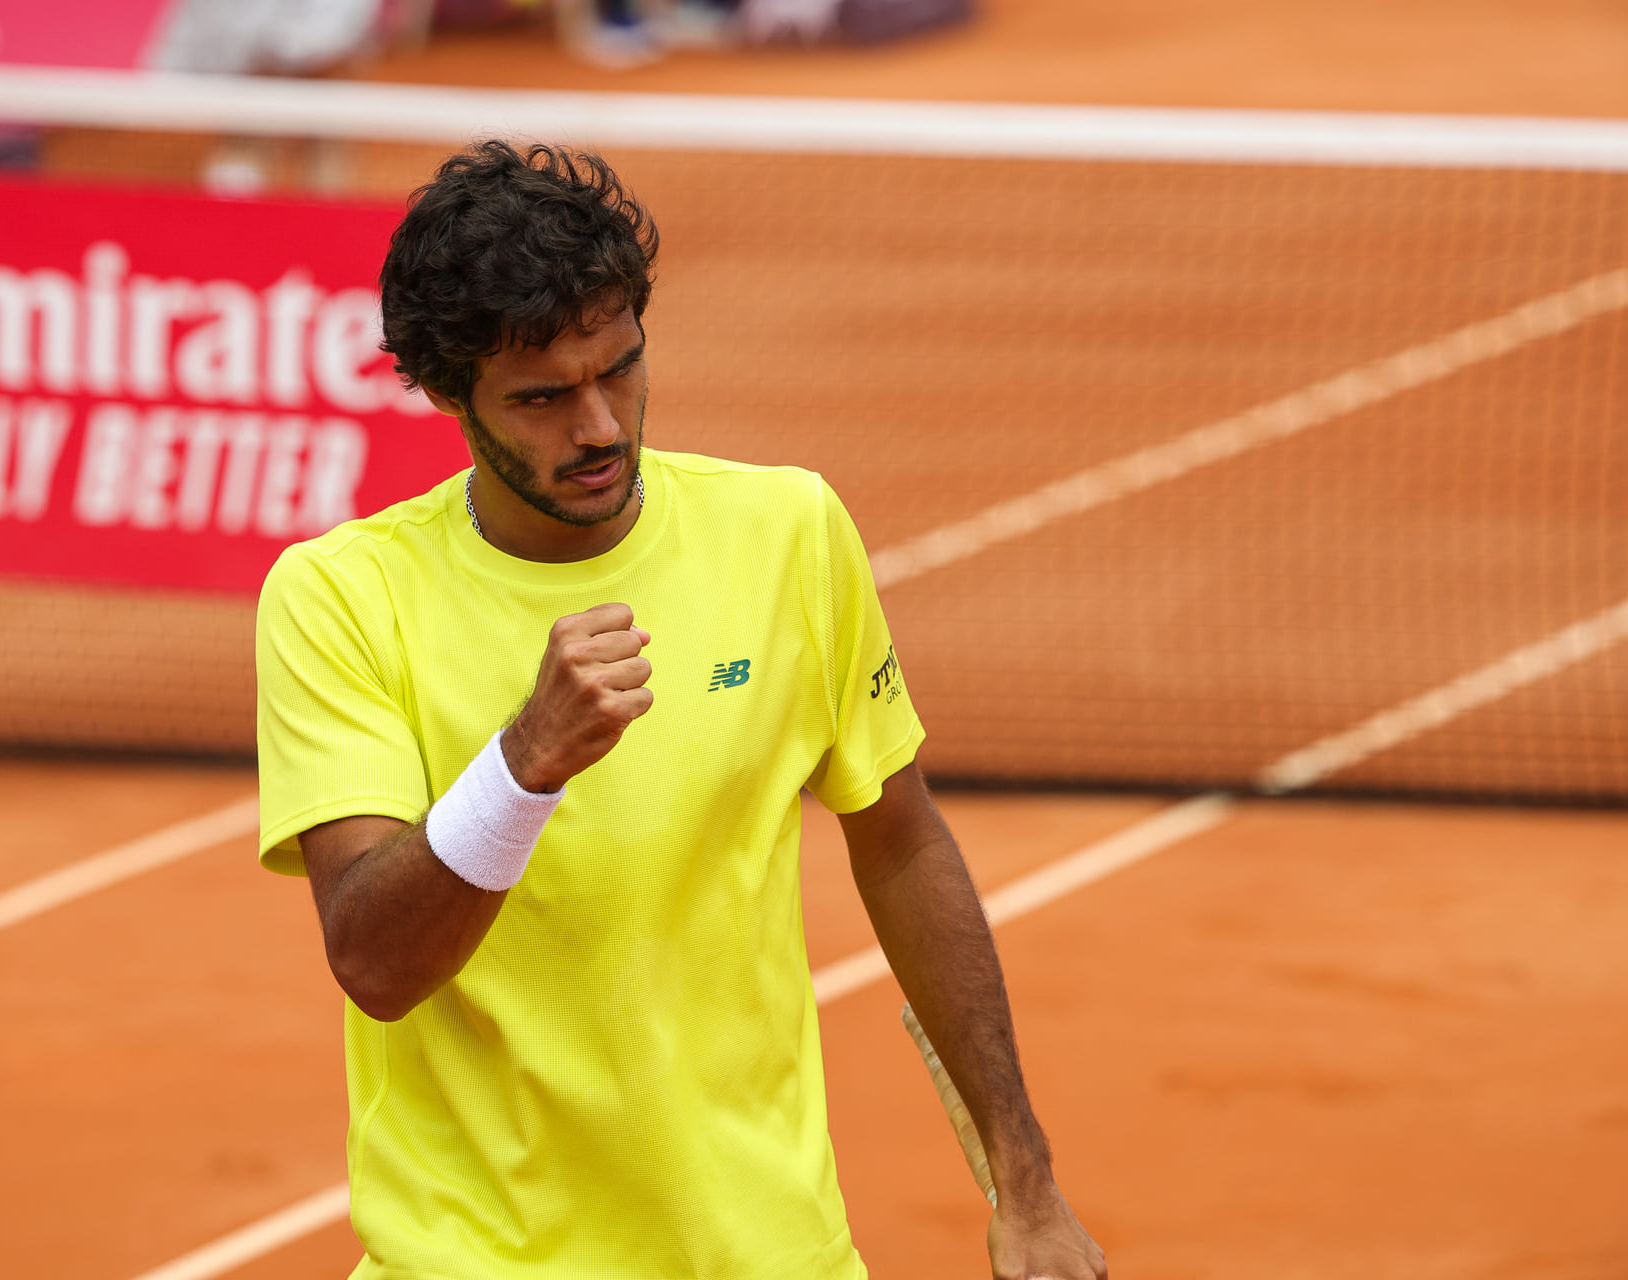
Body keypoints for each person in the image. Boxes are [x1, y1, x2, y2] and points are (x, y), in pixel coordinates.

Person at [255, 140, 1106, 1280]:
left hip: (772, 1253)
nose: (600, 425)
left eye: (621, 368)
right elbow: (375, 960)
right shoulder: (340, 597)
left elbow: (901, 842)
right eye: (545, 397)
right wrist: (523, 765)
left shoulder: (789, 533)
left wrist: (1027, 1178)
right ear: (448, 390)